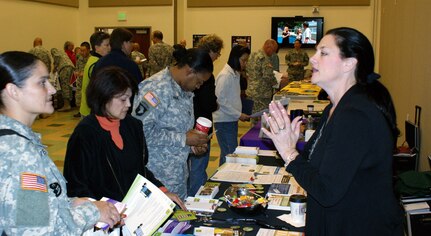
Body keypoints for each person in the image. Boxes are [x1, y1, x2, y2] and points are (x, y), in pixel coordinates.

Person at [262, 27, 403, 235]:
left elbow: (327, 190)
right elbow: (313, 167)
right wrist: (290, 142)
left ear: (349, 63)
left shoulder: (355, 116)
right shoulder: (334, 108)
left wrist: (289, 153)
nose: (312, 59)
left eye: (324, 53)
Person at [0, 51, 120, 235]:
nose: (53, 89)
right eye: (42, 83)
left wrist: (68, 204)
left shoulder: (12, 140)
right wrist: (94, 211)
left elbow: (20, 210)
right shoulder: (20, 153)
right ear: (13, 91)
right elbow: (37, 231)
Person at [64, 67, 185, 209]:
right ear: (103, 97)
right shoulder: (85, 134)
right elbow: (76, 187)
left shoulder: (133, 126)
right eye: (122, 99)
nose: (128, 104)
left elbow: (140, 171)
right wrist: (99, 211)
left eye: (130, 98)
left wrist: (162, 190)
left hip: (134, 210)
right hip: (104, 217)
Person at [133, 47, 213, 200]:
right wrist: (184, 138)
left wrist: (192, 146)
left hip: (178, 179)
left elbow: (177, 131)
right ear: (189, 71)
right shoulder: (155, 89)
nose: (199, 86)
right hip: (156, 181)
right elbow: (139, 131)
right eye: (199, 82)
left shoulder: (184, 90)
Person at [188, 34, 223, 196]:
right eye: (218, 54)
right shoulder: (206, 74)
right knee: (198, 168)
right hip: (201, 127)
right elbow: (208, 102)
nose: (217, 57)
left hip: (191, 125)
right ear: (211, 51)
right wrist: (215, 102)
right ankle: (195, 201)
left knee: (193, 168)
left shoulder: (192, 68)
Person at [213, 45, 251, 165]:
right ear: (235, 58)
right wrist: (238, 114)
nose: (245, 64)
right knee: (230, 154)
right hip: (224, 120)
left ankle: (221, 180)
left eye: (246, 61)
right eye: (243, 60)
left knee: (228, 153)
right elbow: (220, 101)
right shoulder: (225, 76)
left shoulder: (235, 73)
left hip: (230, 119)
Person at [246, 39, 278, 124]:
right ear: (268, 47)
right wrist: (276, 83)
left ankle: (252, 135)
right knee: (262, 119)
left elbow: (247, 71)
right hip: (261, 94)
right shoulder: (264, 58)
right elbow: (268, 76)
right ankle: (259, 137)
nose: (273, 53)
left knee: (253, 117)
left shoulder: (252, 55)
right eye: (273, 51)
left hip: (251, 91)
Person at [80, 31, 110, 118]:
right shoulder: (97, 63)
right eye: (106, 45)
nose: (109, 48)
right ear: (97, 47)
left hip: (87, 109)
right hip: (91, 111)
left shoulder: (92, 59)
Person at [51, 47, 75, 111]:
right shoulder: (62, 52)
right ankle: (69, 103)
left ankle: (66, 105)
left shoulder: (54, 51)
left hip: (64, 68)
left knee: (65, 86)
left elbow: (56, 57)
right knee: (68, 86)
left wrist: (54, 67)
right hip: (71, 67)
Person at [73, 41, 91, 118]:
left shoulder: (91, 59)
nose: (82, 52)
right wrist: (76, 72)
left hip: (87, 83)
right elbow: (77, 68)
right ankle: (80, 111)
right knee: (78, 99)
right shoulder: (79, 58)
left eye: (83, 50)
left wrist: (83, 73)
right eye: (81, 50)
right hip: (80, 82)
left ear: (88, 50)